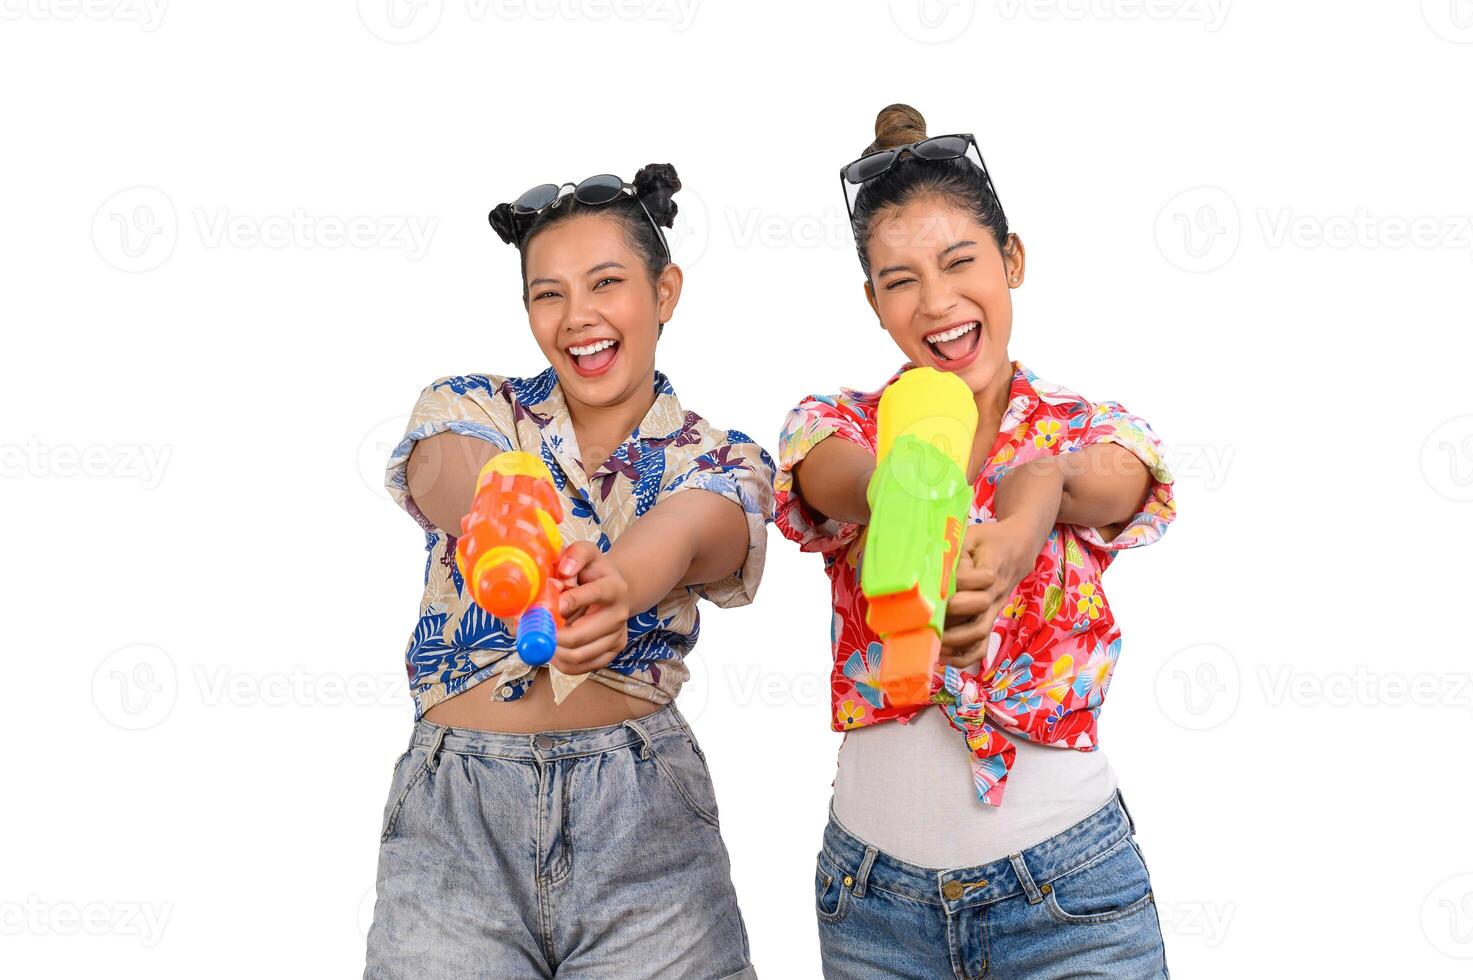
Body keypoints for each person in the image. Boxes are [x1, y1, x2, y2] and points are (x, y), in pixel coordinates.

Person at [775, 104, 1177, 978]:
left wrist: (1033, 503)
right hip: (873, 910)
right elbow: (826, 478)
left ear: (1012, 261)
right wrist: (901, 486)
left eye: (959, 262)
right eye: (899, 279)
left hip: (1071, 901)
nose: (937, 302)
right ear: (874, 302)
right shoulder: (839, 425)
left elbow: (1115, 478)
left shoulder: (1082, 427)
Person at [364, 163, 773, 979]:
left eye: (607, 283)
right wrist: (513, 536)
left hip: (642, 817)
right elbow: (453, 477)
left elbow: (698, 529)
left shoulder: (723, 457)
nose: (577, 316)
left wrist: (618, 583)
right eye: (548, 294)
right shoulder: (472, 408)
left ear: (665, 292)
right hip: (455, 825)